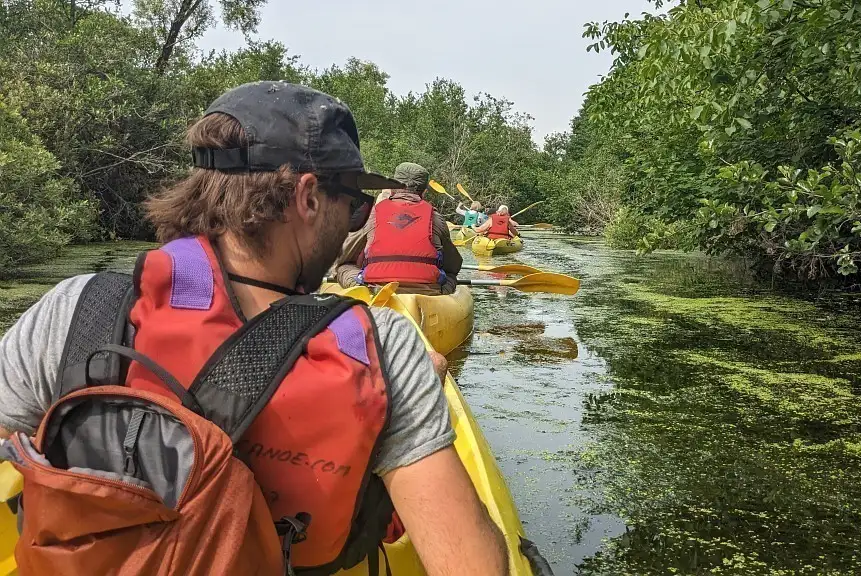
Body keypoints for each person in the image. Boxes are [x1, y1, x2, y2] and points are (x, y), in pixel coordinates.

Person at [0, 82, 507, 575]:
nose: (352, 221)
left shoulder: (77, 309)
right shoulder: (382, 347)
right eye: (353, 203)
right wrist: (414, 392)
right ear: (308, 197)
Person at [331, 163, 462, 295]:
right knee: (450, 275)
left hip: (377, 289)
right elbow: (453, 264)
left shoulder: (370, 213)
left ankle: (362, 292)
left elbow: (343, 255)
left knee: (343, 266)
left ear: (392, 188)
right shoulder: (436, 218)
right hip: (426, 291)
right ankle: (440, 296)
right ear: (424, 192)